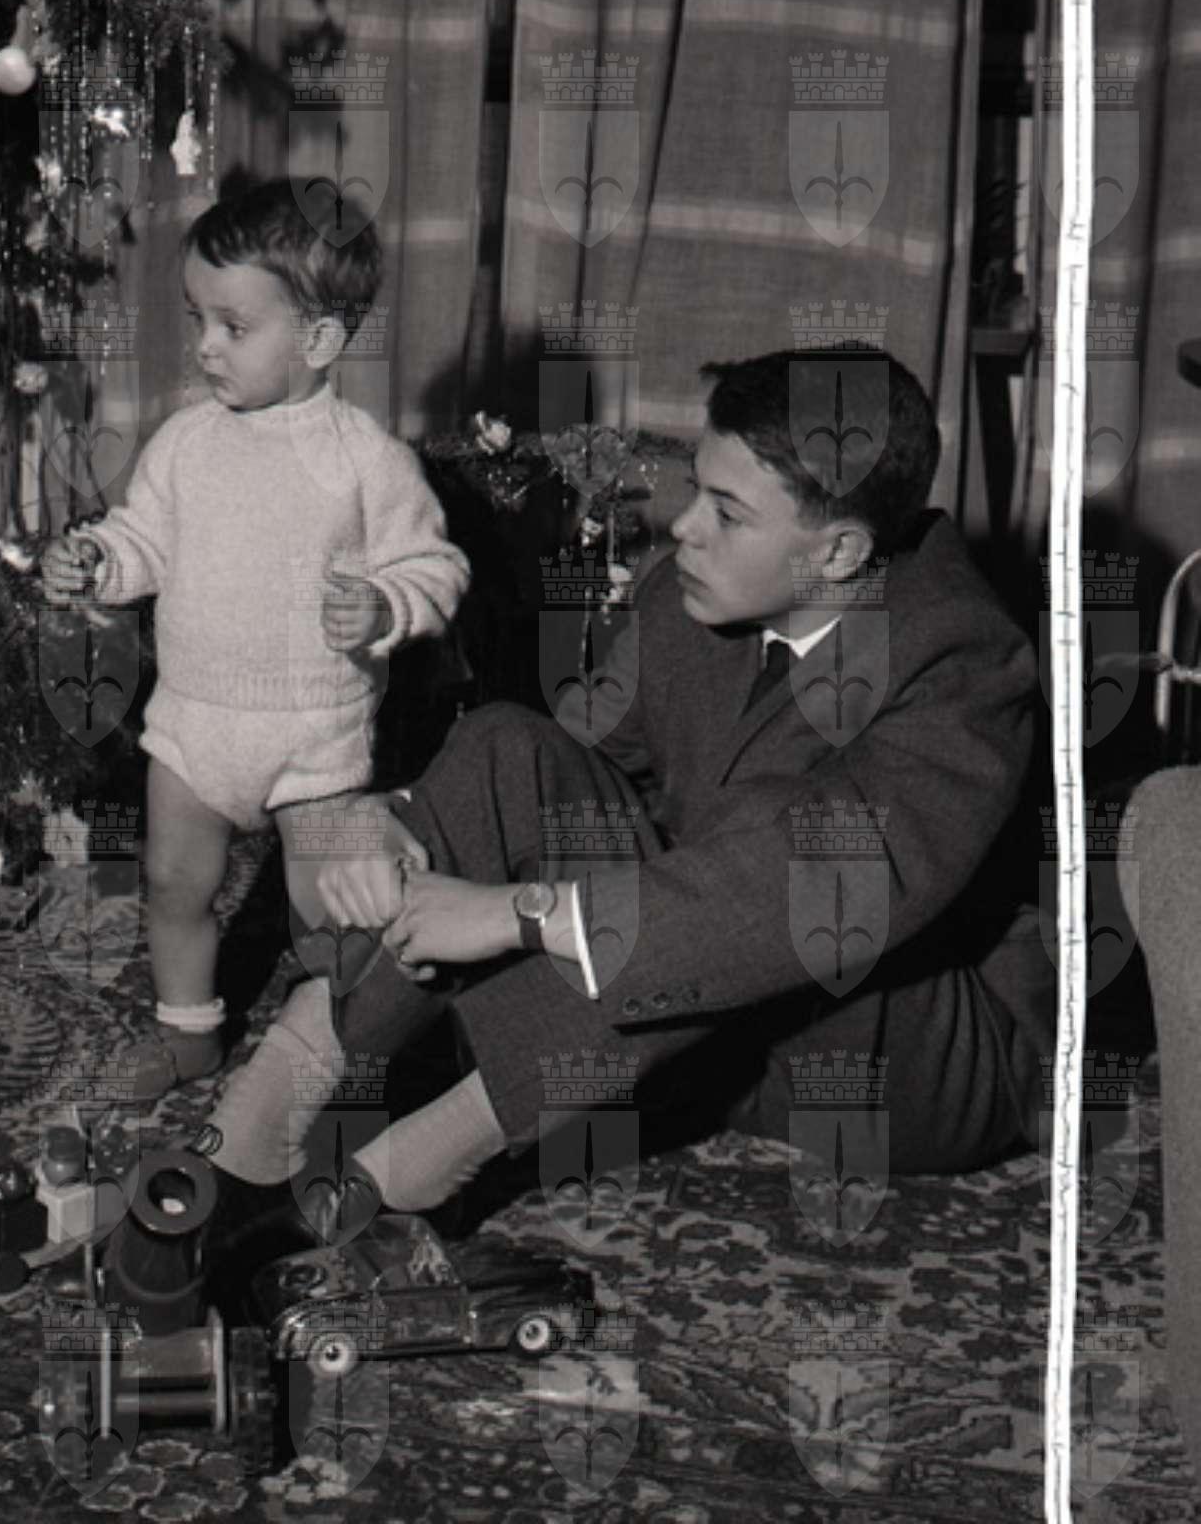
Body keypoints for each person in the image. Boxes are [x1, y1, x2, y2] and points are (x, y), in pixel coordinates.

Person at [193, 343, 1053, 1251]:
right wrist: (393, 819)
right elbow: (569, 772)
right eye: (696, 490)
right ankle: (265, 1116)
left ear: (838, 551)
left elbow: (814, 890)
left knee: (757, 845)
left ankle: (415, 1168)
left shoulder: (962, 660)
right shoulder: (689, 592)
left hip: (905, 1064)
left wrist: (517, 915)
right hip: (716, 1033)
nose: (684, 527)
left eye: (726, 513)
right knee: (507, 744)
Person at [40, 181, 470, 1104]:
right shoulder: (186, 441)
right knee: (172, 883)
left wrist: (386, 606)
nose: (205, 346)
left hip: (316, 734)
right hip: (193, 723)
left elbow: (434, 567)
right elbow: (144, 539)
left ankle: (348, 1042)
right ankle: (186, 1032)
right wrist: (98, 561)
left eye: (234, 327)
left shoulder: (366, 459)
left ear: (319, 340)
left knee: (328, 916)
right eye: (198, 318)